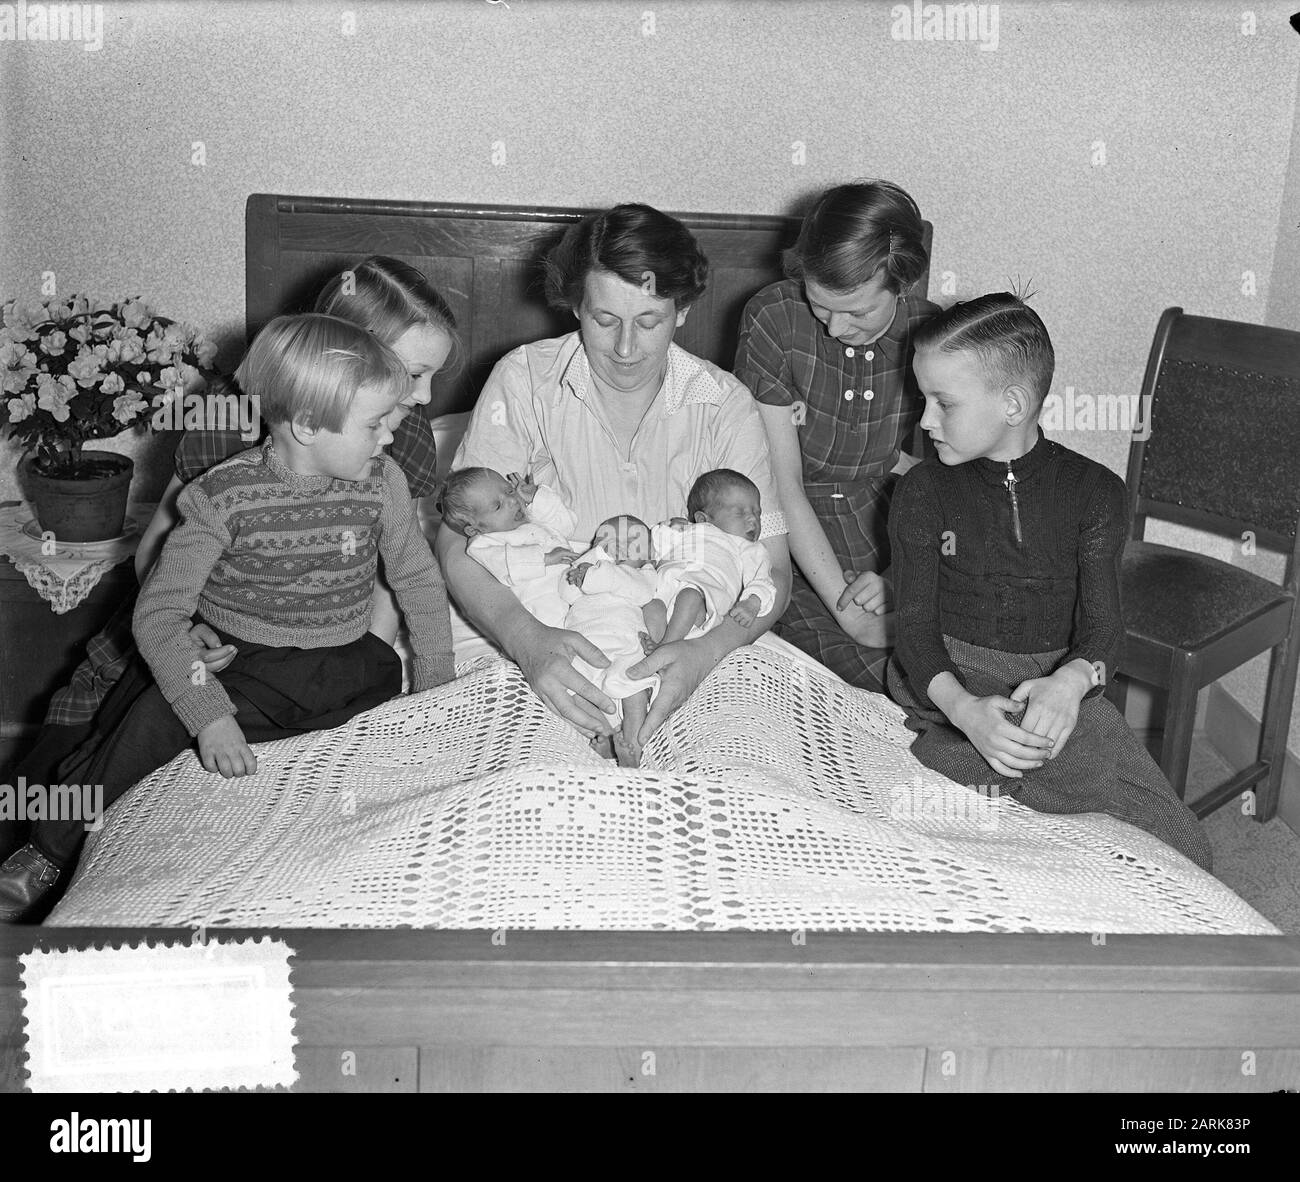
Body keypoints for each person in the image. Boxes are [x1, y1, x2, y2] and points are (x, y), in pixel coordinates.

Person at [0, 256, 457, 866]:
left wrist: (360, 668)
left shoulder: (400, 438)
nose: (422, 398)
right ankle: (44, 851)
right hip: (201, 630)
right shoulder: (231, 418)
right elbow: (160, 565)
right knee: (66, 770)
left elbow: (399, 574)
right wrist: (191, 638)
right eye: (412, 373)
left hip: (318, 643)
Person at [436, 203, 792, 746]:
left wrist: (704, 652)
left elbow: (774, 569)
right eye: (604, 320)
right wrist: (527, 639)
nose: (626, 349)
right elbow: (458, 541)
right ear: (576, 306)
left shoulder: (724, 405)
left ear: (685, 310)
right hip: (534, 613)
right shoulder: (524, 380)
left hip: (689, 631)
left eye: (649, 322)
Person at [884, 294, 1212, 871]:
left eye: (942, 403)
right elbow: (912, 631)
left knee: (1181, 847)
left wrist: (1068, 685)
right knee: (944, 828)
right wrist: (963, 711)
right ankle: (968, 767)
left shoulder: (1096, 494)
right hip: (949, 678)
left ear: (1013, 403)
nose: (924, 421)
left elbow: (1106, 632)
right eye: (922, 398)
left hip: (1052, 684)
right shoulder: (921, 493)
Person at [735, 180, 939, 693]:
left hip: (894, 522)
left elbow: (950, 481)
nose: (833, 328)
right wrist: (851, 615)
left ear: (903, 285)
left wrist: (901, 574)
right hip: (790, 530)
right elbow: (782, 486)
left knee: (973, 661)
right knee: (890, 681)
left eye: (858, 312)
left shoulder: (932, 333)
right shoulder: (774, 318)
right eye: (821, 305)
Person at [644, 469, 778, 648]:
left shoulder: (748, 548)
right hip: (666, 588)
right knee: (650, 605)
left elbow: (761, 580)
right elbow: (653, 546)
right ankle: (658, 641)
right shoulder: (687, 531)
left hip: (703, 603)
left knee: (689, 596)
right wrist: (667, 528)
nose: (753, 519)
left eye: (757, 513)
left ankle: (667, 647)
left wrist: (752, 603)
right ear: (702, 519)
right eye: (740, 512)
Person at [438, 466, 582, 630]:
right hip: (540, 599)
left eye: (509, 491)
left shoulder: (531, 517)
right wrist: (546, 558)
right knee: (559, 626)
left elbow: (567, 526)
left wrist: (536, 498)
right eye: (498, 506)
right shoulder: (483, 544)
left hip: (574, 581)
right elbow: (505, 564)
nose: (513, 501)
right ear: (475, 529)